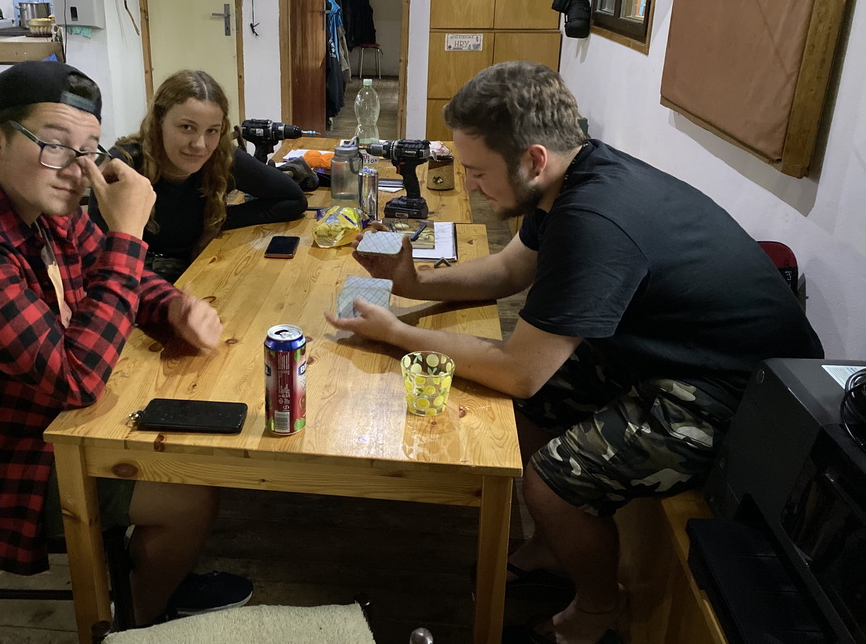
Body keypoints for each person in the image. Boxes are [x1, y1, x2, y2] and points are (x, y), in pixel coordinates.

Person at [326, 61, 824, 644]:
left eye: (478, 172)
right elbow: (510, 270)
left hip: (742, 395)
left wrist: (398, 333)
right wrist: (414, 284)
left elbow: (519, 370)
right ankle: (551, 546)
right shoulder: (572, 176)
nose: (471, 186)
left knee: (551, 482)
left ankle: (597, 608)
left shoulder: (595, 221)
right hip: (672, 350)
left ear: (534, 159)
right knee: (521, 417)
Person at [0, 61, 253, 626]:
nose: (76, 168)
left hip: (37, 412)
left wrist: (173, 306)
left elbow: (107, 268)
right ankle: (140, 624)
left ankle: (154, 572)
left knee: (196, 438)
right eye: (54, 145)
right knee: (189, 492)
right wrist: (128, 233)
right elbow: (76, 379)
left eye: (89, 149)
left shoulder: (40, 198)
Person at [90, 69, 308, 283]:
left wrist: (216, 223)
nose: (200, 145)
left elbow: (293, 199)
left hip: (199, 274)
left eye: (212, 130)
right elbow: (101, 263)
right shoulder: (123, 168)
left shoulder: (220, 156)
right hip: (139, 284)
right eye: (187, 127)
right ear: (159, 120)